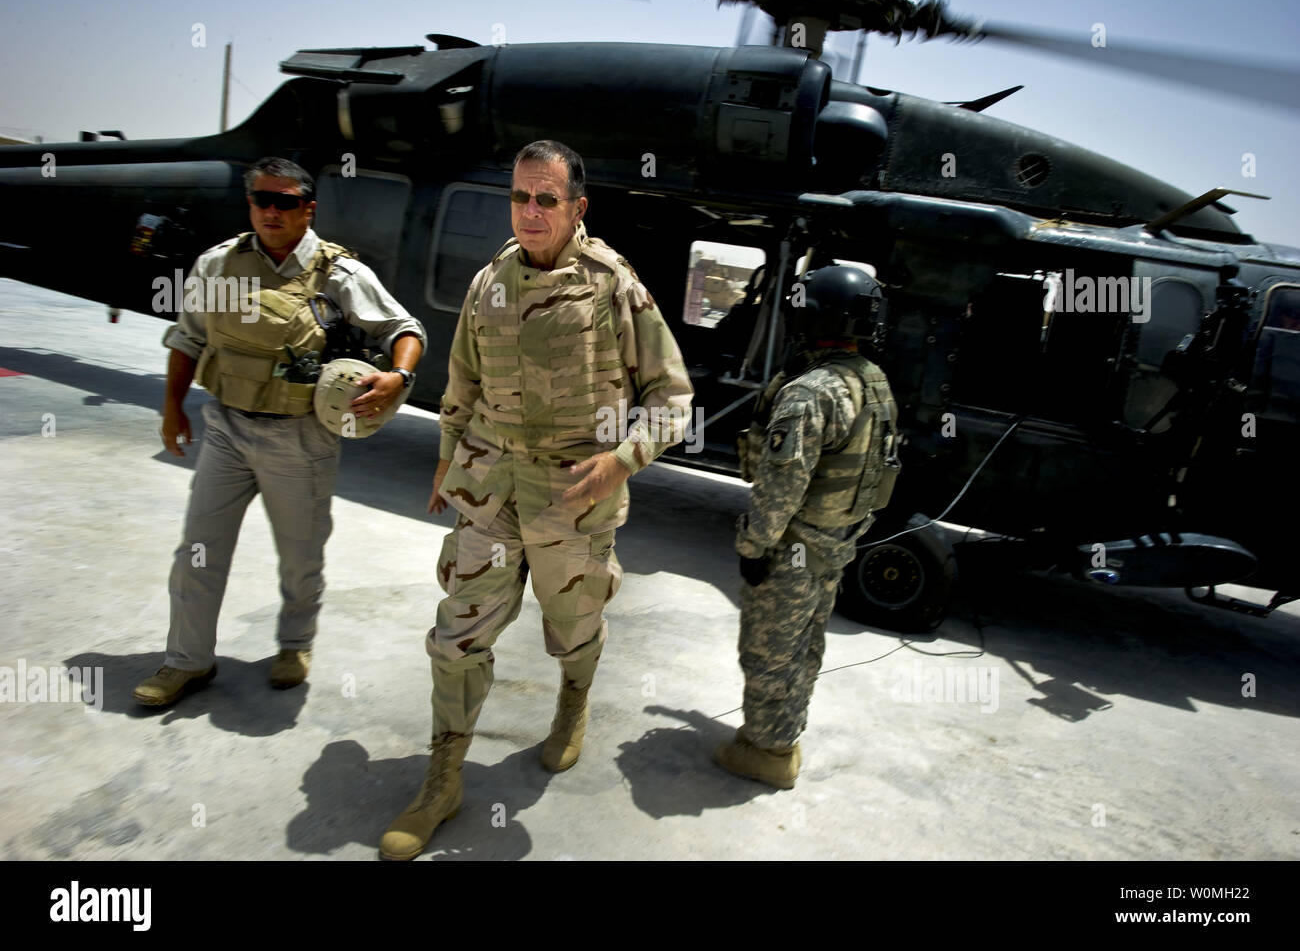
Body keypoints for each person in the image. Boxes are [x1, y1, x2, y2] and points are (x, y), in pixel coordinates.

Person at [380, 139, 693, 860]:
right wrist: (444, 458)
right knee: (456, 637)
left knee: (573, 628)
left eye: (545, 199)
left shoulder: (611, 282)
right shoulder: (490, 279)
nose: (529, 212)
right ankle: (442, 779)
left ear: (576, 207)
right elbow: (460, 381)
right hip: (488, 491)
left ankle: (572, 705)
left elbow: (672, 398)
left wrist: (623, 459)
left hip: (573, 503)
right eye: (519, 197)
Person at [133, 156, 426, 707]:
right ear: (250, 205)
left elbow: (404, 329)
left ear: (307, 209)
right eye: (261, 200)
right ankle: (186, 661)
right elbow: (188, 339)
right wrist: (172, 409)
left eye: (285, 202)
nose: (271, 211)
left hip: (299, 438)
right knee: (198, 549)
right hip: (226, 428)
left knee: (300, 555)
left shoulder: (340, 275)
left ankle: (294, 644)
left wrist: (399, 375)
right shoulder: (218, 266)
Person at [714, 264, 899, 788]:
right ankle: (785, 736)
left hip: (792, 549)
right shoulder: (874, 382)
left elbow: (781, 487)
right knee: (805, 647)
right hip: (834, 546)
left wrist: (754, 547)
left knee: (768, 651)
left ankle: (767, 753)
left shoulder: (811, 392)